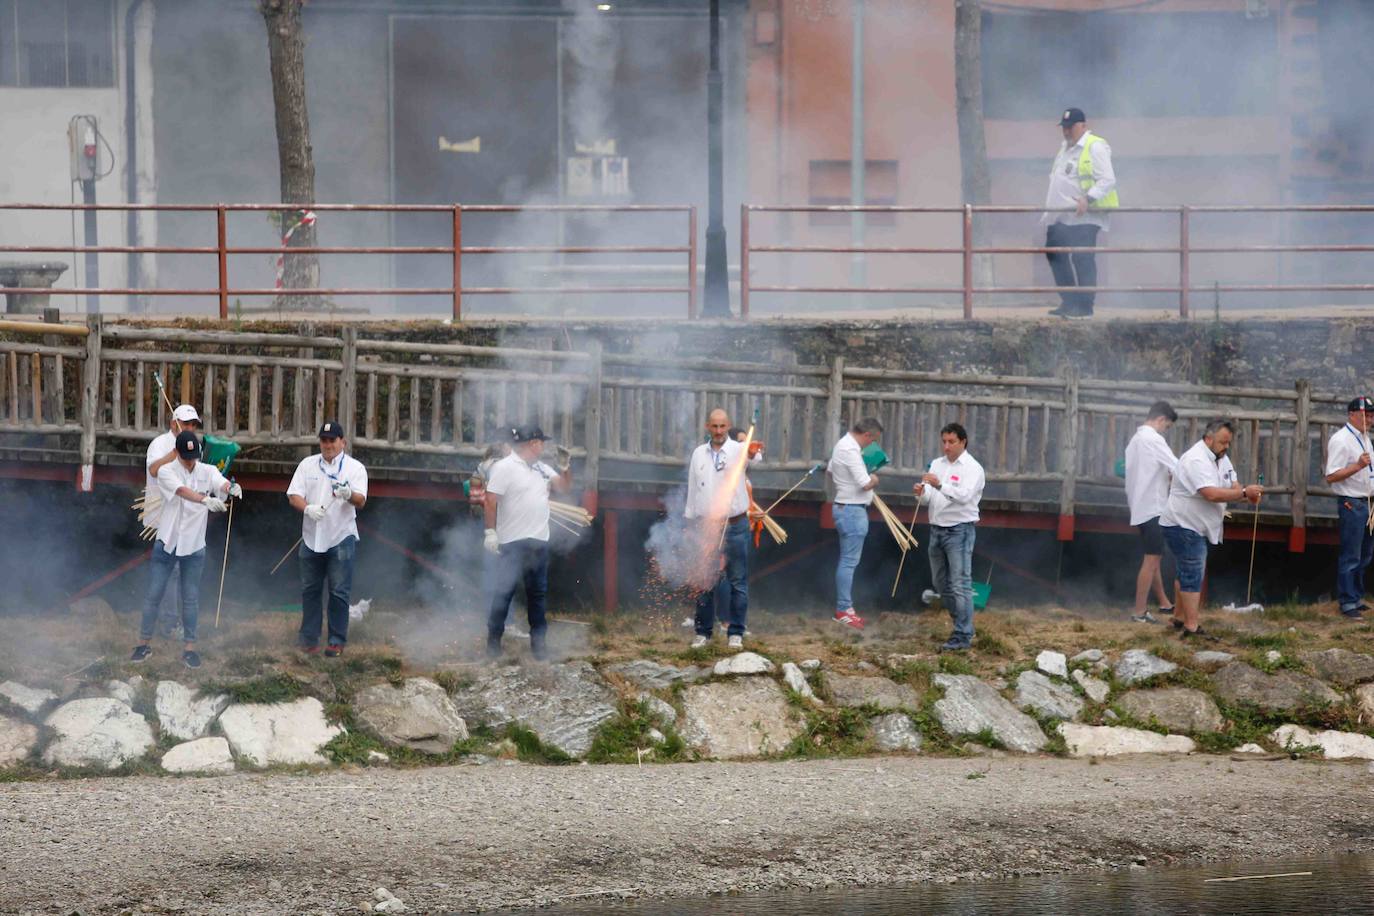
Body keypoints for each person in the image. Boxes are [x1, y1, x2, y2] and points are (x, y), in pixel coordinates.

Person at [131, 430, 240, 669]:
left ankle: (190, 648)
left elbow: (219, 482)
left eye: (194, 456)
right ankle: (143, 643)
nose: (191, 461)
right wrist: (204, 500)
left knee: (190, 599)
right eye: (186, 456)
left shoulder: (206, 470)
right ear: (178, 453)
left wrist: (230, 487)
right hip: (168, 542)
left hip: (193, 545)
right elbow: (181, 491)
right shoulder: (168, 470)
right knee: (154, 594)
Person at [1159, 420, 1262, 639]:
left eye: (1228, 443)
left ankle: (1178, 618)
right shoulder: (1196, 459)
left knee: (1185, 571)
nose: (1226, 447)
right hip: (1182, 523)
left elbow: (1233, 485)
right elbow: (1211, 494)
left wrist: (1246, 495)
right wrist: (1244, 492)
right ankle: (1192, 627)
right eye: (1223, 442)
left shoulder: (1221, 458)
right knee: (1193, 572)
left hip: (1195, 525)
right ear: (1208, 439)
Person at [484, 424, 572, 660]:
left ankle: (539, 647)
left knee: (537, 595)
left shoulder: (543, 468)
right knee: (504, 592)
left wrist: (564, 468)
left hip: (538, 541)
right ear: (532, 443)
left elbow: (563, 488)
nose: (543, 446)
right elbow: (491, 500)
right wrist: (490, 533)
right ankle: (493, 643)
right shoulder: (504, 467)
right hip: (511, 541)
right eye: (541, 442)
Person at [287, 421, 369, 657]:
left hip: (340, 535)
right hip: (312, 537)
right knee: (310, 589)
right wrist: (308, 508)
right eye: (324, 440)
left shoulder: (354, 468)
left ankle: (336, 640)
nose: (328, 445)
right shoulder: (308, 465)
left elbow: (361, 500)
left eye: (333, 440)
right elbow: (293, 495)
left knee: (339, 591)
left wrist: (347, 494)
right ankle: (309, 639)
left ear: (343, 442)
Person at [684, 409, 758, 650]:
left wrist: (753, 450)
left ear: (728, 427)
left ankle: (736, 631)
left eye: (722, 426)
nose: (718, 431)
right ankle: (702, 633)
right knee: (704, 580)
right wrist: (690, 521)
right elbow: (693, 489)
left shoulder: (738, 450)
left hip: (735, 524)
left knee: (738, 580)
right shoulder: (698, 454)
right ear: (708, 426)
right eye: (714, 426)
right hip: (707, 525)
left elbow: (753, 456)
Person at [914, 423, 986, 652]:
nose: (946, 446)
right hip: (936, 528)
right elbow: (928, 498)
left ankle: (962, 635)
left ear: (963, 442)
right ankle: (963, 626)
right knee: (940, 583)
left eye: (951, 442)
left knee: (960, 583)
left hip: (959, 530)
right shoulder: (936, 463)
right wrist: (921, 493)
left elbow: (964, 497)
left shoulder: (973, 468)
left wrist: (940, 484)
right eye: (944, 441)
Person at [1042, 107, 1117, 319]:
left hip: (1085, 215)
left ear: (1083, 125)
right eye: (1064, 127)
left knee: (1082, 258)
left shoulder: (1095, 146)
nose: (1066, 131)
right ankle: (1069, 301)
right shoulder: (1064, 148)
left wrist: (1087, 198)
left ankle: (1085, 308)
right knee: (1054, 252)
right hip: (1061, 215)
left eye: (1070, 127)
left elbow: (1108, 180)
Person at [143, 404, 202, 638]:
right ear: (173, 423)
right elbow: (155, 470)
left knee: (181, 569)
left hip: (186, 517)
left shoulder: (194, 445)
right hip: (162, 517)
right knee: (170, 571)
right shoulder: (159, 444)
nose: (189, 428)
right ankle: (168, 623)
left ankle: (172, 620)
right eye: (185, 424)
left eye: (193, 425)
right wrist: (175, 453)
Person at [1125, 400, 1179, 624]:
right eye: (1167, 426)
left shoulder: (1135, 441)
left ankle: (1164, 602)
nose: (1165, 430)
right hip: (1154, 506)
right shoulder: (1154, 440)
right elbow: (1177, 467)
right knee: (1152, 559)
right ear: (1161, 420)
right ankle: (1139, 611)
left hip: (1138, 506)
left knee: (1152, 556)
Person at [827, 417, 884, 631]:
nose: (871, 444)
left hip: (844, 507)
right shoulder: (851, 450)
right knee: (849, 562)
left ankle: (846, 609)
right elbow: (865, 483)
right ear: (867, 435)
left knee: (847, 561)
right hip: (852, 510)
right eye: (873, 440)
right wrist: (875, 478)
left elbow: (830, 470)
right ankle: (843, 609)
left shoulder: (841, 445)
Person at [1323, 396, 1374, 620]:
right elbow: (1331, 476)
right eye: (1365, 415)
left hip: (1367, 502)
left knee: (1365, 553)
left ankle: (1356, 595)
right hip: (1351, 502)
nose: (1369, 419)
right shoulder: (1341, 440)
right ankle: (1346, 601)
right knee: (1351, 554)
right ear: (1352, 414)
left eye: (1371, 416)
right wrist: (1357, 466)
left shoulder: (1365, 437)